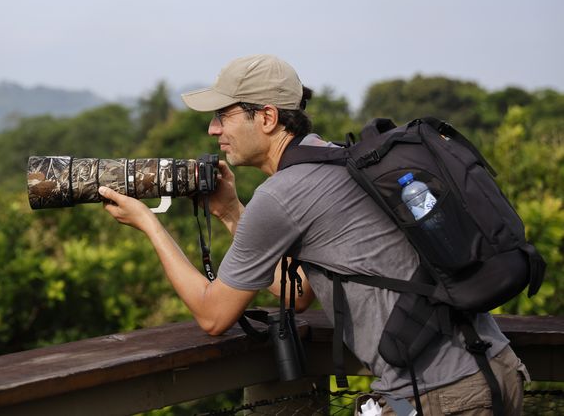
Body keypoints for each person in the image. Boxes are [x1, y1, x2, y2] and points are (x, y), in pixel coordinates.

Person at [99, 54, 528, 415]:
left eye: (222, 115)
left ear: (267, 117)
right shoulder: (338, 158)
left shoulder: (282, 193)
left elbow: (213, 317)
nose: (213, 129)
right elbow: (300, 291)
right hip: (497, 367)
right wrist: (231, 212)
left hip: (442, 396)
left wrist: (149, 223)